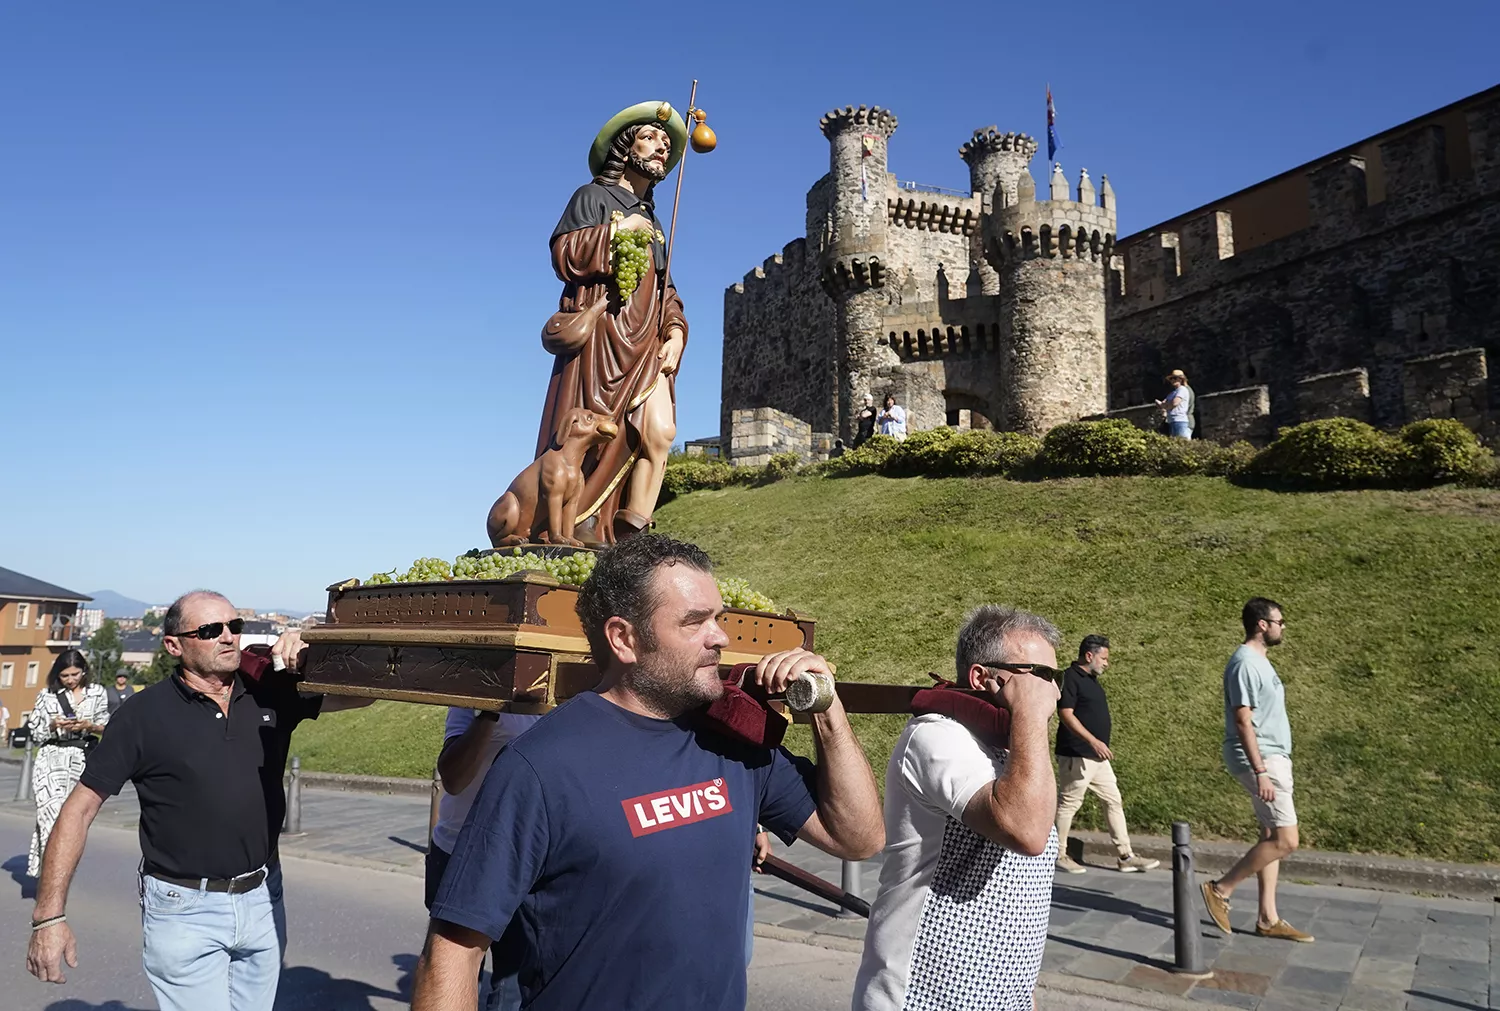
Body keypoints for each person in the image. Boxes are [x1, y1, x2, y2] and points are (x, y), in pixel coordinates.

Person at [412, 534, 883, 1011]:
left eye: (717, 618)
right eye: (694, 621)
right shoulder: (539, 767)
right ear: (624, 639)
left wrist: (827, 710)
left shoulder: (734, 742)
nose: (720, 637)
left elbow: (858, 839)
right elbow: (450, 955)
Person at [25, 590, 374, 1008]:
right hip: (182, 907)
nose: (229, 637)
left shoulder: (271, 689)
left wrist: (315, 648)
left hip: (263, 896)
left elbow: (363, 692)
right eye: (211, 630)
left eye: (235, 626)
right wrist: (49, 916)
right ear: (174, 645)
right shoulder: (141, 715)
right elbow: (78, 811)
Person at [853, 605, 1062, 1011]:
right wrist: (1032, 717)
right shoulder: (937, 735)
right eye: (1036, 676)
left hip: (1001, 995)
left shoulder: (1013, 745)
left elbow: (1023, 885)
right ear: (981, 677)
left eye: (1054, 679)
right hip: (924, 995)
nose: (1049, 693)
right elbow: (1026, 831)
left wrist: (1023, 993)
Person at [535, 102, 691, 544]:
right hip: (603, 339)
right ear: (626, 146)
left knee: (659, 432)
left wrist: (676, 331)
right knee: (594, 436)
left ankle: (631, 536)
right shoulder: (592, 197)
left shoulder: (658, 223)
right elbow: (564, 253)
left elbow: (666, 288)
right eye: (652, 139)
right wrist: (616, 233)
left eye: (667, 145)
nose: (662, 149)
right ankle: (577, 526)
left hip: (647, 341)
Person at [1200, 598, 1313, 943]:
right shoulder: (1245, 664)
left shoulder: (1259, 661)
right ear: (1262, 624)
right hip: (1262, 758)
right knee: (1286, 840)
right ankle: (1221, 889)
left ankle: (1267, 918)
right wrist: (1261, 770)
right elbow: (1242, 720)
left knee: (1269, 835)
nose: (1283, 626)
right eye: (1280, 621)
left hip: (1273, 757)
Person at [427, 705, 542, 1011]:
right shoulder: (473, 696)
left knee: (512, 981)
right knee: (452, 969)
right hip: (459, 853)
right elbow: (453, 778)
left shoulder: (559, 700)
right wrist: (488, 715)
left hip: (519, 859)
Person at [1053, 635, 1159, 874]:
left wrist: (1098, 746)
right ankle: (1057, 854)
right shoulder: (1071, 677)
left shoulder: (1091, 680)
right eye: (1104, 658)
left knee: (1113, 800)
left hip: (1096, 757)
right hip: (1078, 753)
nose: (1107, 663)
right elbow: (1066, 714)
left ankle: (1125, 856)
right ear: (1089, 656)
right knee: (1069, 803)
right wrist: (1093, 741)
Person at [25, 650, 109, 878]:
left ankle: (59, 871)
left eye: (75, 674)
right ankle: (48, 875)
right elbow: (34, 733)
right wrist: (52, 725)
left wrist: (88, 726)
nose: (71, 680)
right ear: (57, 674)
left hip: (81, 761)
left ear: (84, 671)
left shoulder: (97, 693)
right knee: (49, 817)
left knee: (71, 821)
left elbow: (107, 726)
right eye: (65, 676)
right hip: (51, 760)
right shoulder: (47, 695)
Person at [1155, 369, 1193, 439]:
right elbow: (1164, 403)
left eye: (1175, 378)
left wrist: (1165, 406)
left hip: (1180, 421)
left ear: (1181, 379)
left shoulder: (1182, 389)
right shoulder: (1172, 393)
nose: (1173, 380)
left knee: (1182, 443)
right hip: (1171, 420)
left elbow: (1175, 403)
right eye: (1171, 379)